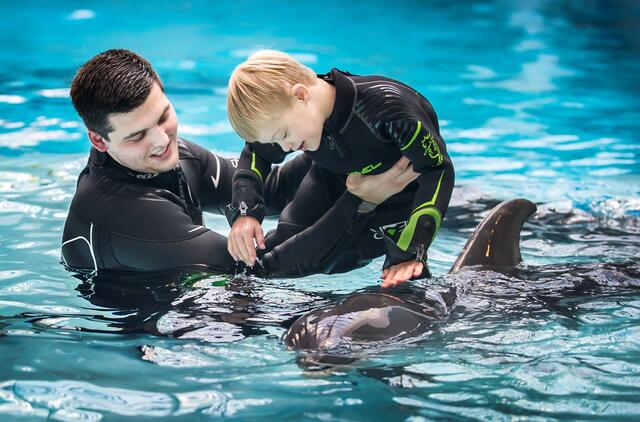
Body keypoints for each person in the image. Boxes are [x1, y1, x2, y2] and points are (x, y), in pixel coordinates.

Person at [61, 49, 416, 276]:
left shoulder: (171, 155)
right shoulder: (122, 212)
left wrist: (336, 139)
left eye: (163, 117)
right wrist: (360, 201)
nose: (161, 141)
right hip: (158, 337)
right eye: (137, 136)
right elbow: (258, 268)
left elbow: (271, 191)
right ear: (99, 140)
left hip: (207, 293)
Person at [226, 50, 455, 288]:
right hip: (332, 179)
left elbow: (438, 169)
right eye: (276, 141)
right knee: (266, 266)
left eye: (284, 134)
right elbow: (256, 151)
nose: (285, 147)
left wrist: (414, 249)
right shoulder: (290, 113)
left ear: (301, 95)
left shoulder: (387, 109)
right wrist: (245, 212)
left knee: (402, 278)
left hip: (396, 206)